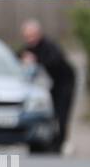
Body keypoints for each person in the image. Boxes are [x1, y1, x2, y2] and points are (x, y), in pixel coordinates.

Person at [20, 19, 75, 153]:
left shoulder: (49, 46)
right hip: (49, 86)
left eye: (32, 36)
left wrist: (36, 60)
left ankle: (59, 143)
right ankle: (45, 141)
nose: (30, 39)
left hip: (65, 83)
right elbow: (17, 55)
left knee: (61, 114)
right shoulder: (29, 48)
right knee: (49, 113)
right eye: (27, 36)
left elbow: (55, 60)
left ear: (38, 34)